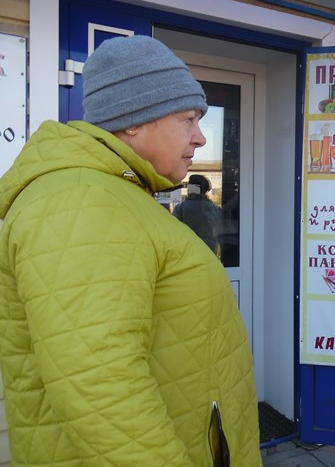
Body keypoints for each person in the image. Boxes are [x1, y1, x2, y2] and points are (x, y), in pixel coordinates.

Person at [0, 35, 262, 465]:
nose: (200, 137)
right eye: (187, 119)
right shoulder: (80, 201)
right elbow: (102, 388)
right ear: (133, 121)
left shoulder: (115, 195)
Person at [174, 174, 223, 254]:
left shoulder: (181, 208)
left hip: (187, 253)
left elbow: (173, 232)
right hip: (209, 253)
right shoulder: (213, 208)